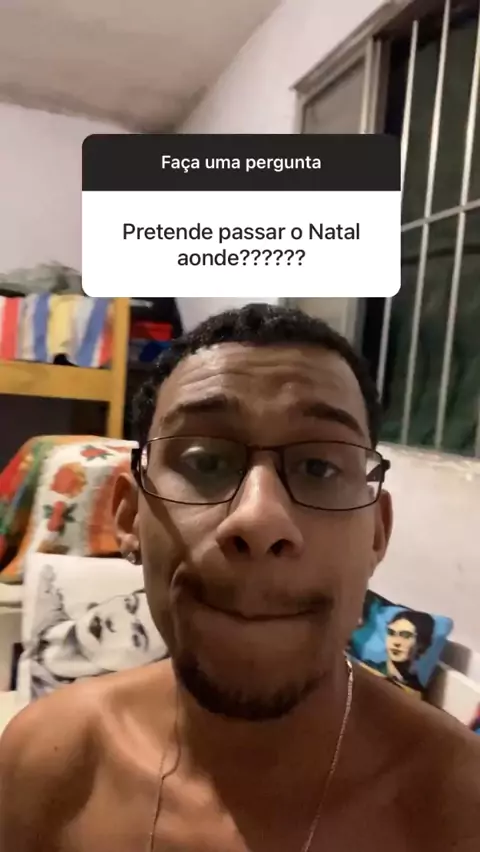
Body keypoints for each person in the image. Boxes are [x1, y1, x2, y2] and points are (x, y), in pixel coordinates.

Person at [0, 303, 479, 851]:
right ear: (129, 517)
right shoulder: (48, 762)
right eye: (205, 461)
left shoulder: (459, 808)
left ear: (377, 532)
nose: (259, 519)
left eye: (319, 467)